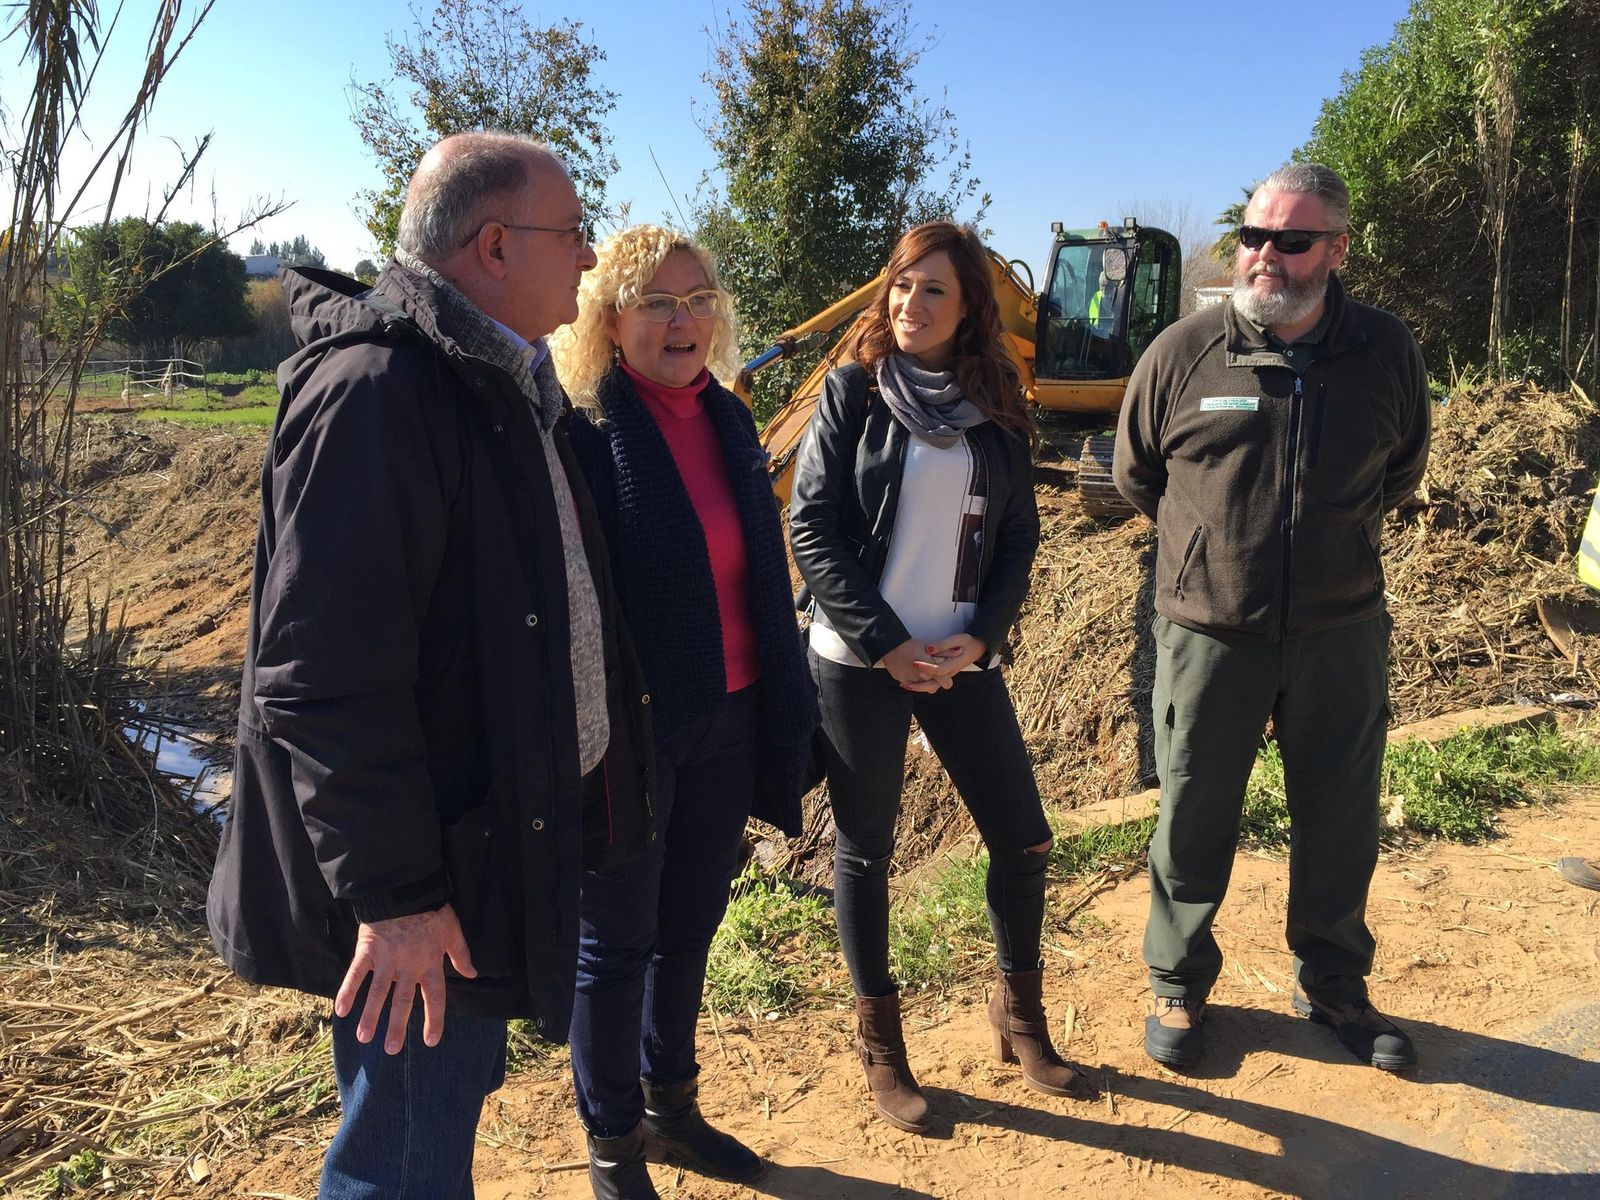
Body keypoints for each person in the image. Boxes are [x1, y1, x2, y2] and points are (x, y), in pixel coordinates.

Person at [206, 131, 656, 1198]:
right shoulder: (381, 394)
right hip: (424, 892)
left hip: (479, 852)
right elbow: (322, 681)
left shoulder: (498, 385)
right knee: (402, 1161)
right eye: (574, 232)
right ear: (494, 245)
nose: (590, 259)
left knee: (429, 1129)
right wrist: (397, 897)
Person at [1113, 162, 1431, 1073]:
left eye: (1291, 240)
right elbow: (1140, 476)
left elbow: (1401, 469)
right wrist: (1214, 555)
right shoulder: (1182, 353)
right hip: (1210, 631)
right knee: (1193, 809)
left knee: (1339, 814)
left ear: (1334, 249)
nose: (1266, 257)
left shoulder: (1385, 351)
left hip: (1341, 631)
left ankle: (1332, 982)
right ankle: (1177, 980)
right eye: (1254, 236)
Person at [790, 220, 1085, 1134]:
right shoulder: (850, 396)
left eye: (933, 291)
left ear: (972, 311)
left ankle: (1018, 1015)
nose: (908, 304)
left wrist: (983, 636)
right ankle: (881, 1046)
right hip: (861, 661)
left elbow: (1020, 541)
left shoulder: (996, 408)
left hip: (960, 658)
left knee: (1024, 839)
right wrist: (885, 644)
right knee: (866, 851)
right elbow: (812, 533)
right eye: (900, 286)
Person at [551, 225, 817, 1199]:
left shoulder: (731, 421)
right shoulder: (582, 431)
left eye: (697, 298)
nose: (683, 321)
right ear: (609, 319)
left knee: (691, 922)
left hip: (732, 711)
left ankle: (671, 1102)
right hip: (631, 735)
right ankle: (612, 1140)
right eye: (657, 303)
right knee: (615, 941)